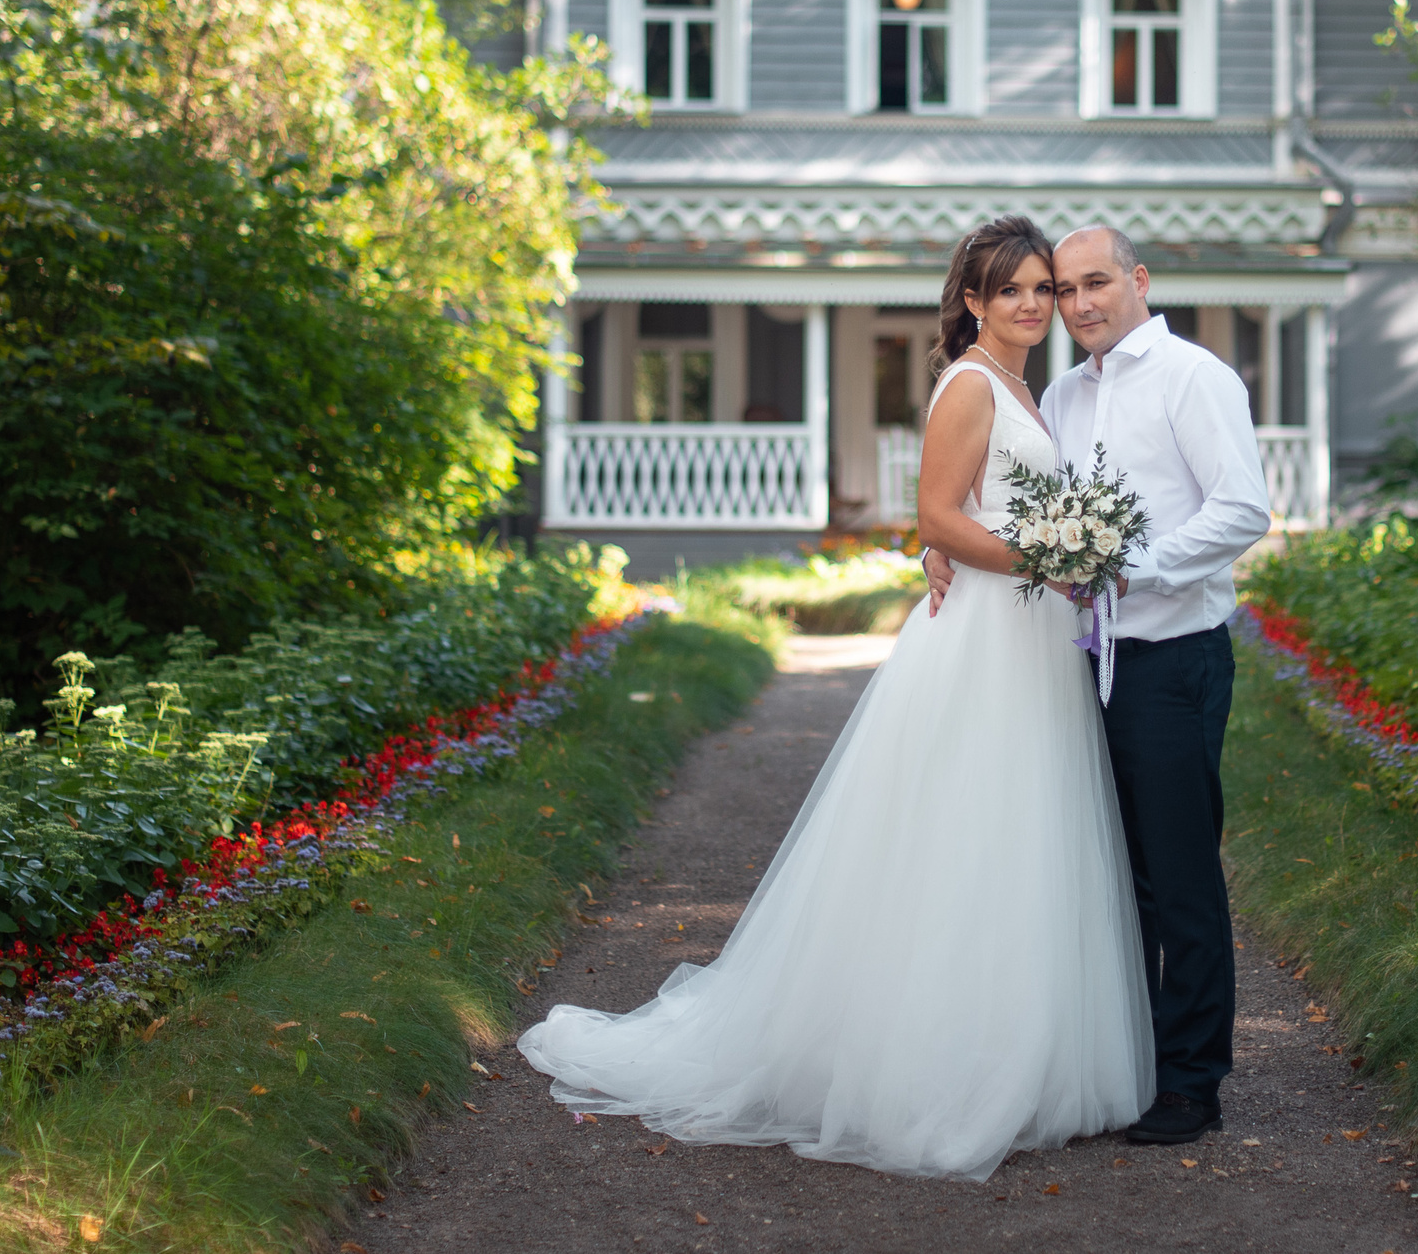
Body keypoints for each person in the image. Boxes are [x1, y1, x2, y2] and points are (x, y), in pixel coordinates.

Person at [517, 216, 1151, 1182]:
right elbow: (935, 515)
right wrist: (1048, 559)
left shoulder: (1028, 385)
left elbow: (968, 513)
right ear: (973, 301)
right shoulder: (974, 382)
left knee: (1027, 833)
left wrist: (1030, 555)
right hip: (986, 637)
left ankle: (1026, 1052)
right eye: (1011, 289)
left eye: (1042, 288)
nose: (1033, 304)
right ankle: (941, 1069)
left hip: (1030, 637)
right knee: (967, 831)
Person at [924, 224, 1270, 1145]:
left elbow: (1243, 507)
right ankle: (1127, 1062)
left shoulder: (1196, 377)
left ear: (1137, 279)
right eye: (1058, 289)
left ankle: (1193, 1081)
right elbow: (1014, 503)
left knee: (1180, 875)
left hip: (1168, 657)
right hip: (1077, 661)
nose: (1075, 304)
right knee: (1108, 876)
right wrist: (939, 535)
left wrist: (1137, 565)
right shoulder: (1063, 393)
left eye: (1089, 284)